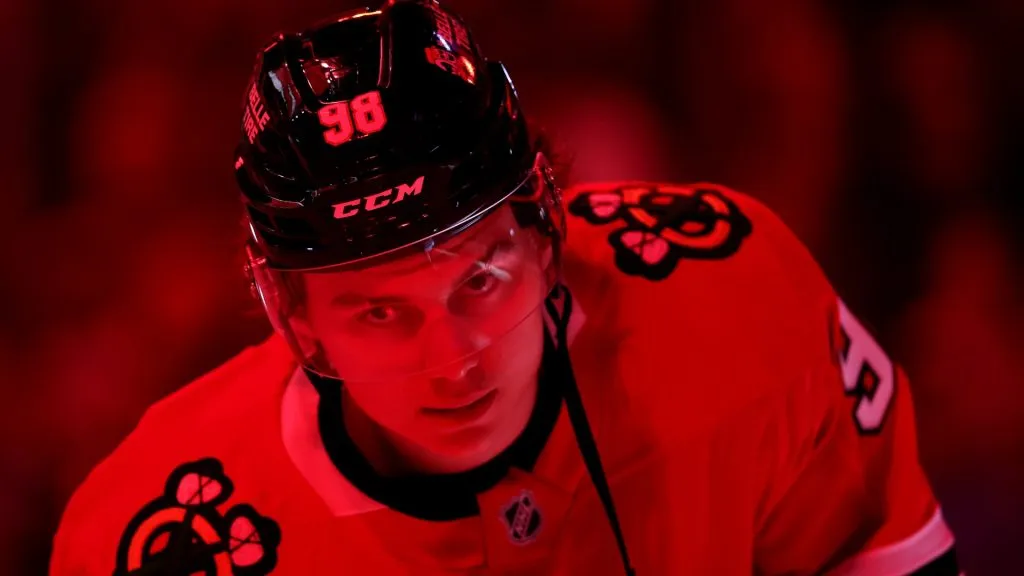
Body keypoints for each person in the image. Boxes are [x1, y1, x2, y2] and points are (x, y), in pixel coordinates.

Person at [50, 1, 960, 574]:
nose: (454, 360)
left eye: (481, 278)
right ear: (296, 320)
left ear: (548, 230)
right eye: (380, 310)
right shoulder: (149, 537)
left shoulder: (734, 300)